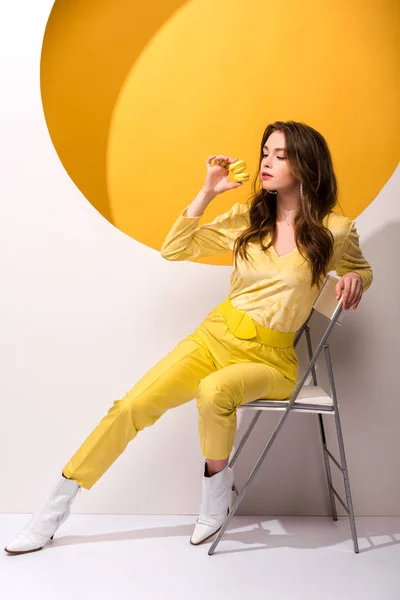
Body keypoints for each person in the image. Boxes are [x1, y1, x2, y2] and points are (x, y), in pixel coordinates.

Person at [4, 120, 373, 555]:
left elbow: (361, 269)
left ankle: (215, 496)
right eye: (265, 153)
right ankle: (51, 513)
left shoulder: (336, 228)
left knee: (215, 392)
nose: (266, 163)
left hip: (271, 361)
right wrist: (208, 192)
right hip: (213, 338)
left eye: (280, 155)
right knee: (131, 407)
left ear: (306, 164)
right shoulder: (248, 219)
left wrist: (353, 278)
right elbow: (174, 249)